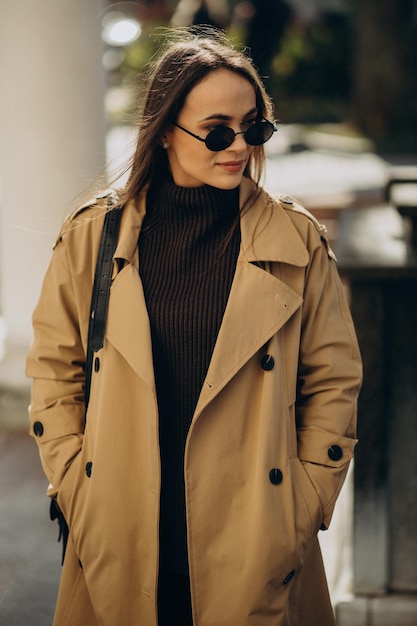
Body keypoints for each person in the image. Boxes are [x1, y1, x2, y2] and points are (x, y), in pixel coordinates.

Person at [26, 26, 362, 626]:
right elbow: (54, 371)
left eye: (253, 127)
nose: (238, 145)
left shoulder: (296, 240)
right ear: (163, 132)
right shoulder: (92, 237)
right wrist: (80, 488)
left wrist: (302, 504)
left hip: (259, 536)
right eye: (216, 130)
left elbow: (334, 380)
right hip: (123, 528)